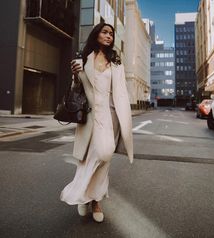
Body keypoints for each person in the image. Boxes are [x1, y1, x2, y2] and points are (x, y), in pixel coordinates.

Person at [60, 22, 133, 223]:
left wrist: (125, 116)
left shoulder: (116, 63)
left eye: (112, 33)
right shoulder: (84, 59)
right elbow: (77, 88)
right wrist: (75, 74)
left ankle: (91, 197)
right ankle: (92, 200)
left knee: (105, 154)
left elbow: (121, 93)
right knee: (88, 158)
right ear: (97, 34)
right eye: (105, 32)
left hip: (109, 116)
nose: (109, 36)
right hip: (90, 117)